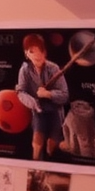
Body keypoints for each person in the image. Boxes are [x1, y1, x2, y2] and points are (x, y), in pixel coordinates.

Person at [16, 33, 68, 161]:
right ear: (26, 54)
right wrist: (34, 103)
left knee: (52, 143)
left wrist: (48, 94)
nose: (37, 55)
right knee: (37, 141)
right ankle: (35, 164)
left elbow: (65, 95)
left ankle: (51, 160)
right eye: (32, 51)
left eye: (40, 50)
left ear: (45, 52)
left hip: (55, 110)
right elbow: (21, 92)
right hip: (38, 110)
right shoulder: (25, 70)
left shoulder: (54, 68)